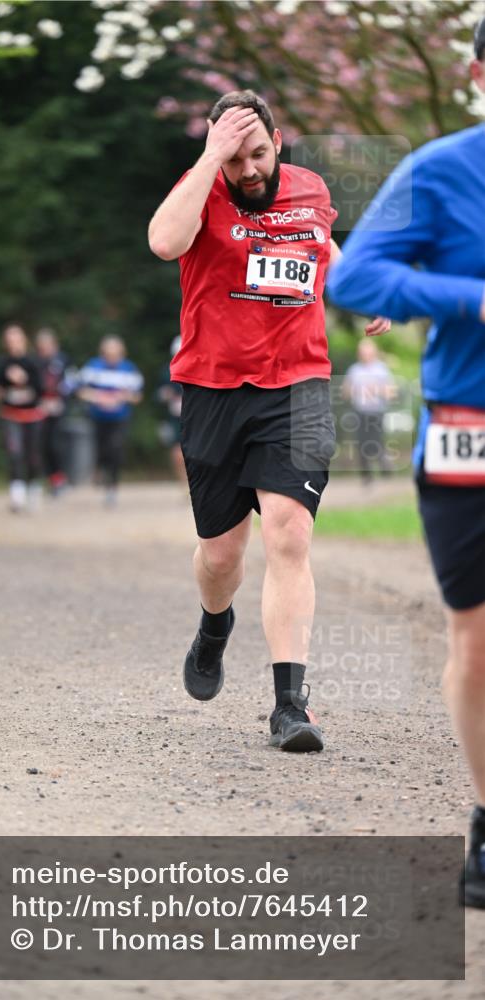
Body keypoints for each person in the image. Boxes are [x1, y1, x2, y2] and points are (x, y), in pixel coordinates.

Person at [148, 90, 389, 752]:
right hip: (212, 388)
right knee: (221, 556)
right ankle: (213, 623)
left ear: (277, 143)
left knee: (287, 536)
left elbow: (320, 249)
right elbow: (164, 242)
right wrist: (209, 160)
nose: (248, 170)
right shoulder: (200, 192)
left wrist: (358, 286)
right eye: (236, 159)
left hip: (298, 387)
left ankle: (290, 706)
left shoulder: (309, 189)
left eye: (258, 153)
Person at [327, 20, 485, 907]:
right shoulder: (439, 170)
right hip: (470, 427)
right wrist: (470, 298)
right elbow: (351, 280)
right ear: (476, 72)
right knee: (477, 639)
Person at [77, 336, 144, 506]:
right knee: (102, 450)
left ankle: (112, 487)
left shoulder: (129, 369)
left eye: (115, 353)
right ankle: (100, 472)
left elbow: (138, 396)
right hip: (98, 417)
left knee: (116, 449)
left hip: (119, 418)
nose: (112, 357)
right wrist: (98, 397)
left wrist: (123, 396)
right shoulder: (93, 367)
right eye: (108, 353)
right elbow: (79, 390)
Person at [0, 324, 44, 513]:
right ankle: (17, 494)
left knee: (32, 455)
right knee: (14, 453)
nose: (13, 343)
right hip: (10, 415)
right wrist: (0, 393)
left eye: (16, 338)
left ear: (24, 340)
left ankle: (34, 489)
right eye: (9, 339)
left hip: (32, 416)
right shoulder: (2, 364)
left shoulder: (33, 362)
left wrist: (23, 380)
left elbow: (41, 391)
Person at [342, 339, 397, 485]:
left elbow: (391, 392)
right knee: (361, 443)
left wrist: (376, 390)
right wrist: (354, 391)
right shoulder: (354, 370)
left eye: (368, 352)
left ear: (374, 352)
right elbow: (345, 392)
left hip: (377, 412)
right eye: (362, 352)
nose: (365, 355)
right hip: (360, 412)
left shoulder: (382, 369)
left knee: (375, 442)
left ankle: (385, 465)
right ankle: (366, 475)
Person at [35, 327, 70, 496]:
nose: (44, 350)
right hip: (39, 409)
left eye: (46, 345)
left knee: (55, 444)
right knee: (41, 446)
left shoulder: (63, 361)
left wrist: (60, 400)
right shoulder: (35, 362)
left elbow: (71, 383)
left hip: (58, 408)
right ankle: (50, 479)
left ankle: (60, 478)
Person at [157, 336, 187, 487]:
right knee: (177, 454)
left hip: (197, 417)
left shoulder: (202, 369)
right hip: (175, 417)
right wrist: (166, 394)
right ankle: (184, 484)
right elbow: (160, 395)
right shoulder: (167, 371)